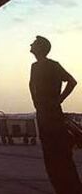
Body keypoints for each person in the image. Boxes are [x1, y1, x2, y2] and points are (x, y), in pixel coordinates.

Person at [29, 35, 82, 194]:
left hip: (52, 114)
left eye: (34, 43)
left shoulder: (53, 65)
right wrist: (37, 104)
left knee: (61, 155)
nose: (31, 44)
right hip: (43, 114)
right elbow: (32, 87)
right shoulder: (34, 66)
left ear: (41, 47)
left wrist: (59, 100)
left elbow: (72, 81)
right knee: (50, 157)